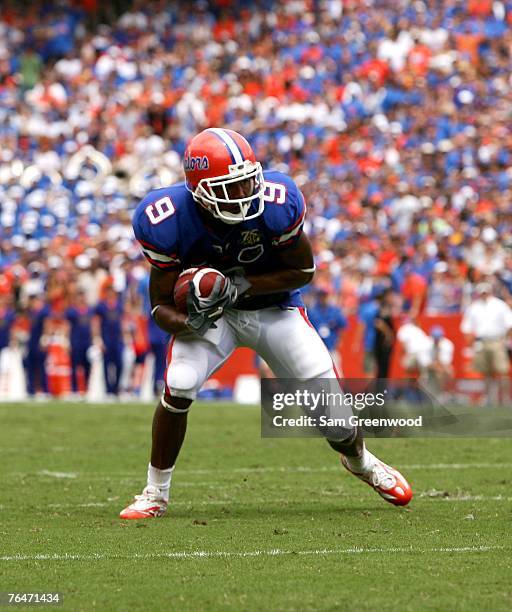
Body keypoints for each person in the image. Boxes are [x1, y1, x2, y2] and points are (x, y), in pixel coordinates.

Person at [120, 128, 412, 519]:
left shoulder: (277, 201)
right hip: (213, 319)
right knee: (181, 381)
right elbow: (159, 307)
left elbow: (303, 270)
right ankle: (155, 492)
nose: (243, 195)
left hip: (273, 308)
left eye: (246, 183)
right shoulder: (164, 218)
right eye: (230, 188)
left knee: (337, 418)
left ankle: (361, 462)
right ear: (199, 191)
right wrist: (189, 319)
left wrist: (238, 286)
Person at [461, 282, 512, 404]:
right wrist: (471, 344)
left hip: (497, 341)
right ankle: (490, 399)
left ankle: (506, 399)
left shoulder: (500, 305)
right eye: (482, 292)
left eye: (486, 292)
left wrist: (505, 340)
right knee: (486, 372)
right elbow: (466, 327)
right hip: (481, 342)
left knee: (502, 371)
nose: (484, 295)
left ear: (490, 292)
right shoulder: (474, 307)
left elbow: (509, 324)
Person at [307, 285, 347, 373]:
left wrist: (339, 340)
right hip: (317, 348)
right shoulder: (312, 311)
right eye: (320, 295)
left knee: (337, 372)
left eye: (324, 295)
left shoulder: (335, 310)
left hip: (331, 346)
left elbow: (343, 325)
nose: (322, 298)